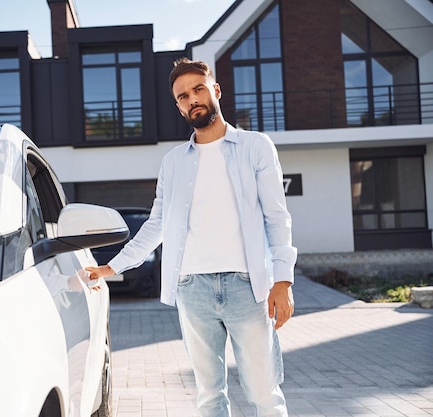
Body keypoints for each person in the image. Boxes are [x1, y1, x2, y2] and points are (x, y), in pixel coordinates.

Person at [87, 57, 297, 417]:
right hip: (192, 288)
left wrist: (283, 280)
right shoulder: (173, 162)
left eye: (198, 89)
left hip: (248, 287)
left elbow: (276, 217)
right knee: (209, 396)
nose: (192, 99)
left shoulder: (256, 147)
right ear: (179, 105)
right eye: (183, 96)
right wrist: (113, 266)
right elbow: (156, 224)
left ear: (215, 90)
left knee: (264, 393)